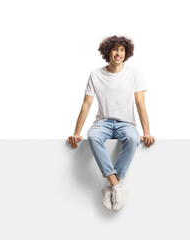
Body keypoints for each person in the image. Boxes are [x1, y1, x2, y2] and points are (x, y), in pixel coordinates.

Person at [67, 35, 155, 212]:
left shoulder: (134, 74)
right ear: (108, 51)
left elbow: (140, 104)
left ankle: (111, 186)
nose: (118, 53)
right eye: (115, 49)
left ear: (126, 53)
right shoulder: (95, 75)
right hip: (103, 122)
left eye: (122, 50)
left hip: (126, 123)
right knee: (93, 136)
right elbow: (86, 104)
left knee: (132, 138)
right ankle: (116, 185)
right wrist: (76, 133)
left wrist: (147, 132)